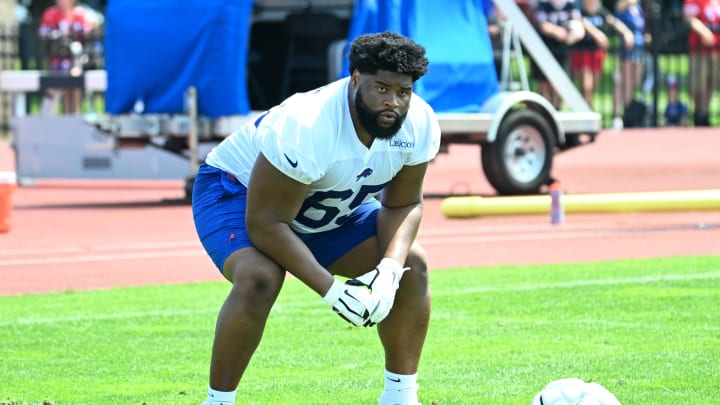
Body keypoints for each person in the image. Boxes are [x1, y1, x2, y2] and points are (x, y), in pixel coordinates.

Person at [191, 31, 441, 405]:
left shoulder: (419, 123)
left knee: (411, 266)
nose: (393, 102)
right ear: (355, 78)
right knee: (260, 277)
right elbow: (266, 223)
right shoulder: (308, 125)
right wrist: (333, 291)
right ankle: (218, 402)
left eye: (402, 92)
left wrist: (388, 271)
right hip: (239, 192)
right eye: (382, 88)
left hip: (322, 200)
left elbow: (402, 205)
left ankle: (400, 397)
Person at [571, 0, 634, 108]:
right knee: (587, 86)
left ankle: (587, 110)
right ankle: (585, 112)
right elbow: (579, 21)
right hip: (582, 52)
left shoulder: (601, 12)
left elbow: (614, 22)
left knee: (593, 87)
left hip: (596, 53)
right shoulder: (579, 11)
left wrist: (626, 32)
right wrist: (597, 34)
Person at [38, 0, 95, 114]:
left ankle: (73, 114)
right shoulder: (51, 13)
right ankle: (51, 117)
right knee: (55, 90)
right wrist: (55, 34)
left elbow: (90, 29)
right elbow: (43, 32)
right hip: (57, 60)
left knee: (75, 85)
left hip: (76, 60)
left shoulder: (80, 14)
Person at [531, 0, 586, 109]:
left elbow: (578, 25)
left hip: (564, 51)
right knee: (544, 82)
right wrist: (558, 32)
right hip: (545, 50)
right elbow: (543, 26)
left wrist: (573, 35)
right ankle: (545, 110)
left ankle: (556, 110)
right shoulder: (543, 4)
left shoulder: (570, 5)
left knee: (562, 82)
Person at [613, 0, 651, 128]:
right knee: (626, 81)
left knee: (636, 81)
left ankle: (630, 109)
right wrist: (626, 33)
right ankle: (621, 114)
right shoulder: (623, 6)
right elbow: (615, 21)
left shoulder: (638, 9)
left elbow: (641, 26)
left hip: (639, 48)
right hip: (627, 49)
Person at [683, 0, 720, 126]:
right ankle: (698, 114)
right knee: (699, 83)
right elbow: (689, 18)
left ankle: (706, 113)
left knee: (711, 83)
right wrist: (704, 32)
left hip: (715, 49)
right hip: (700, 49)